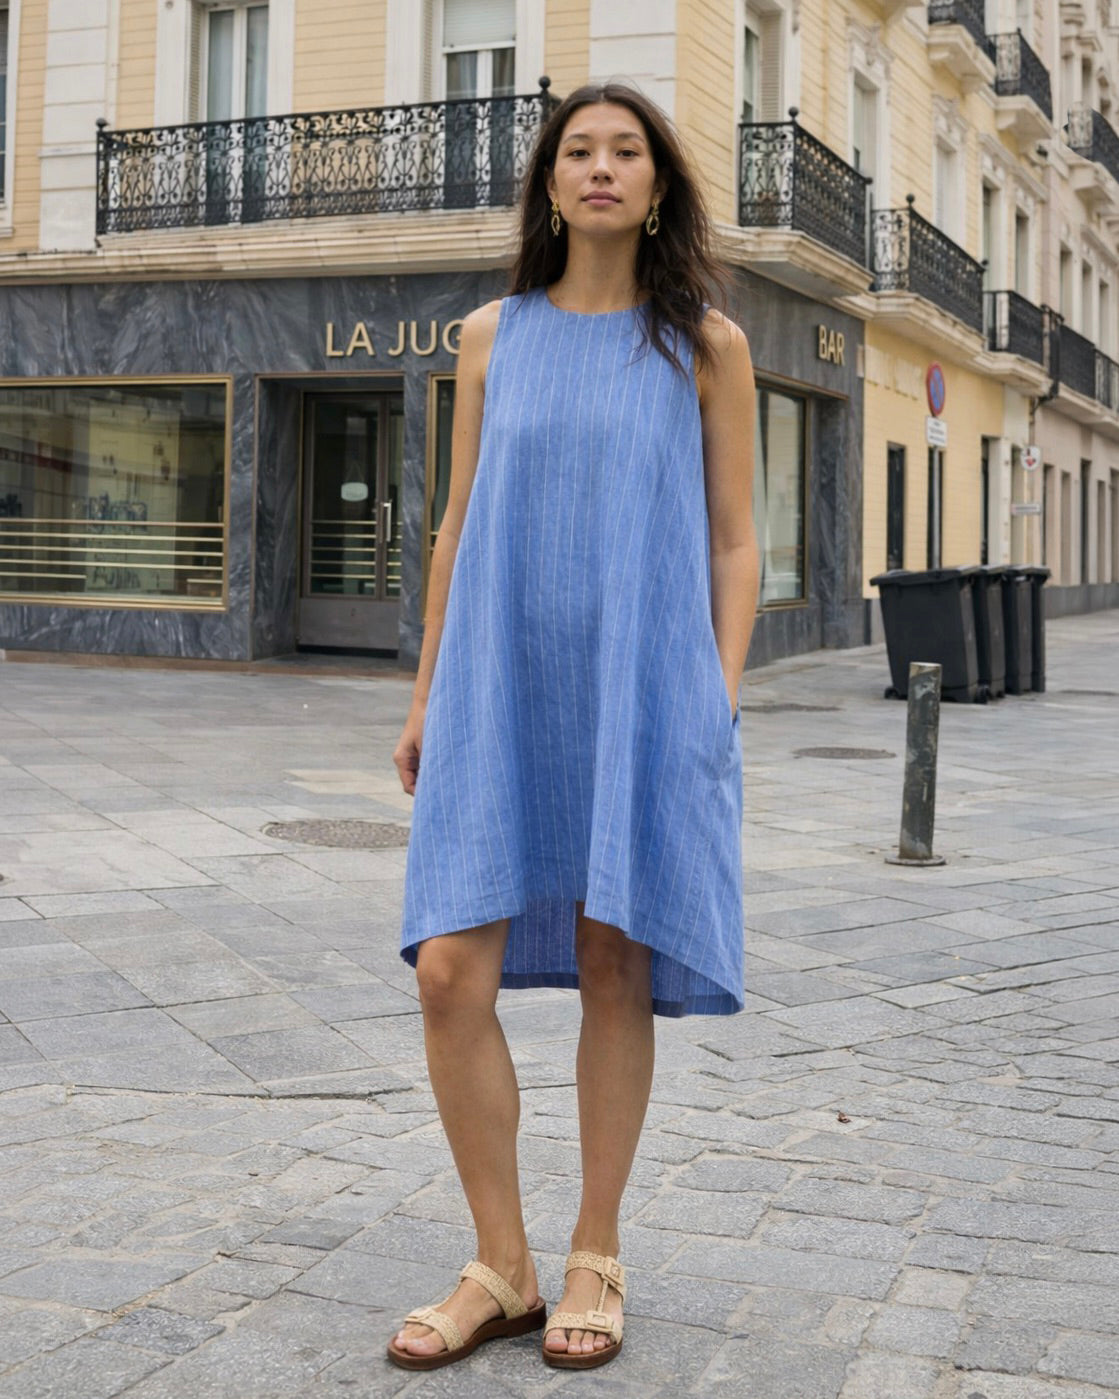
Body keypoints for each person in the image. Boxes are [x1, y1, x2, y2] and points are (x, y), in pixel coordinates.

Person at [387, 80, 759, 1373]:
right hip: (498, 681)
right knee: (447, 968)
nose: (602, 169)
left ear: (659, 186)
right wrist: (429, 692)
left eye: (628, 152)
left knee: (615, 960)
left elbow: (735, 540)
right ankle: (504, 1259)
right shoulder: (490, 335)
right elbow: (455, 526)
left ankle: (594, 1244)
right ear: (551, 182)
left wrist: (715, 694)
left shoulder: (705, 345)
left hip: (639, 692)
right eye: (580, 152)